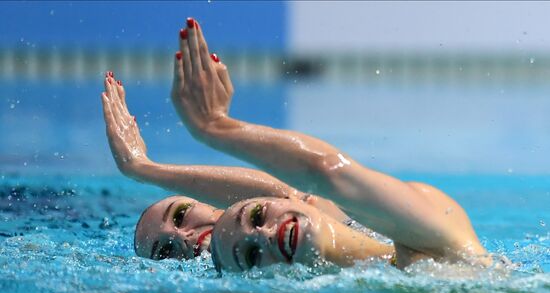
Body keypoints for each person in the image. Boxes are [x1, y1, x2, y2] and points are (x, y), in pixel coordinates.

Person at [164, 18, 491, 271]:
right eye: (250, 256)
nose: (261, 235)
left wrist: (216, 128)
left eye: (259, 214)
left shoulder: (423, 241)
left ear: (300, 197)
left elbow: (326, 171)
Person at [101, 64, 391, 261]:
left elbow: (288, 196)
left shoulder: (291, 222)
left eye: (180, 215)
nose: (181, 237)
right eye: (164, 251)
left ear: (210, 201)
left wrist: (146, 170)